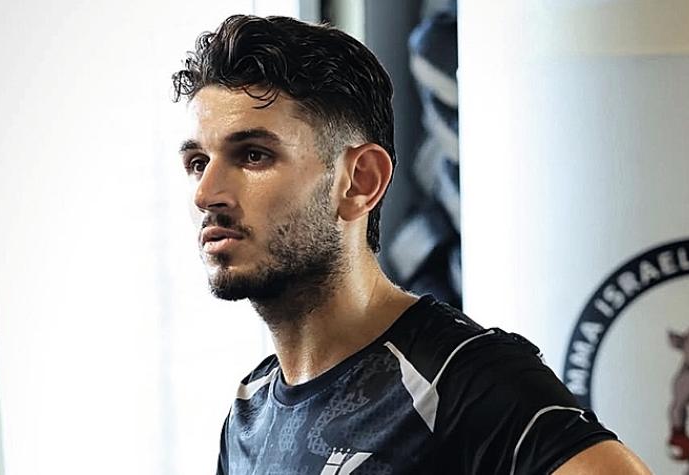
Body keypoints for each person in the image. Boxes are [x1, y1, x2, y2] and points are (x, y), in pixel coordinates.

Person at [173, 14, 651, 474]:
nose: (206, 193)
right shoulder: (250, 410)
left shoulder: (465, 380)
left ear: (360, 182)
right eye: (197, 162)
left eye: (253, 155)